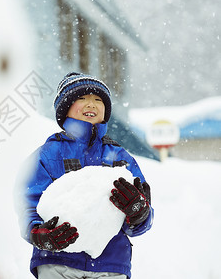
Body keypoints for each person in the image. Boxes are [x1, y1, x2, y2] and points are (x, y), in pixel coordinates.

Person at [16, 72, 154, 279]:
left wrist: (139, 213)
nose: (91, 104)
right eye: (82, 98)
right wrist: (38, 233)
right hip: (57, 262)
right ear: (65, 109)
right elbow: (27, 203)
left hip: (111, 265)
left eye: (98, 100)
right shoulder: (48, 154)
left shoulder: (121, 157)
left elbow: (141, 220)